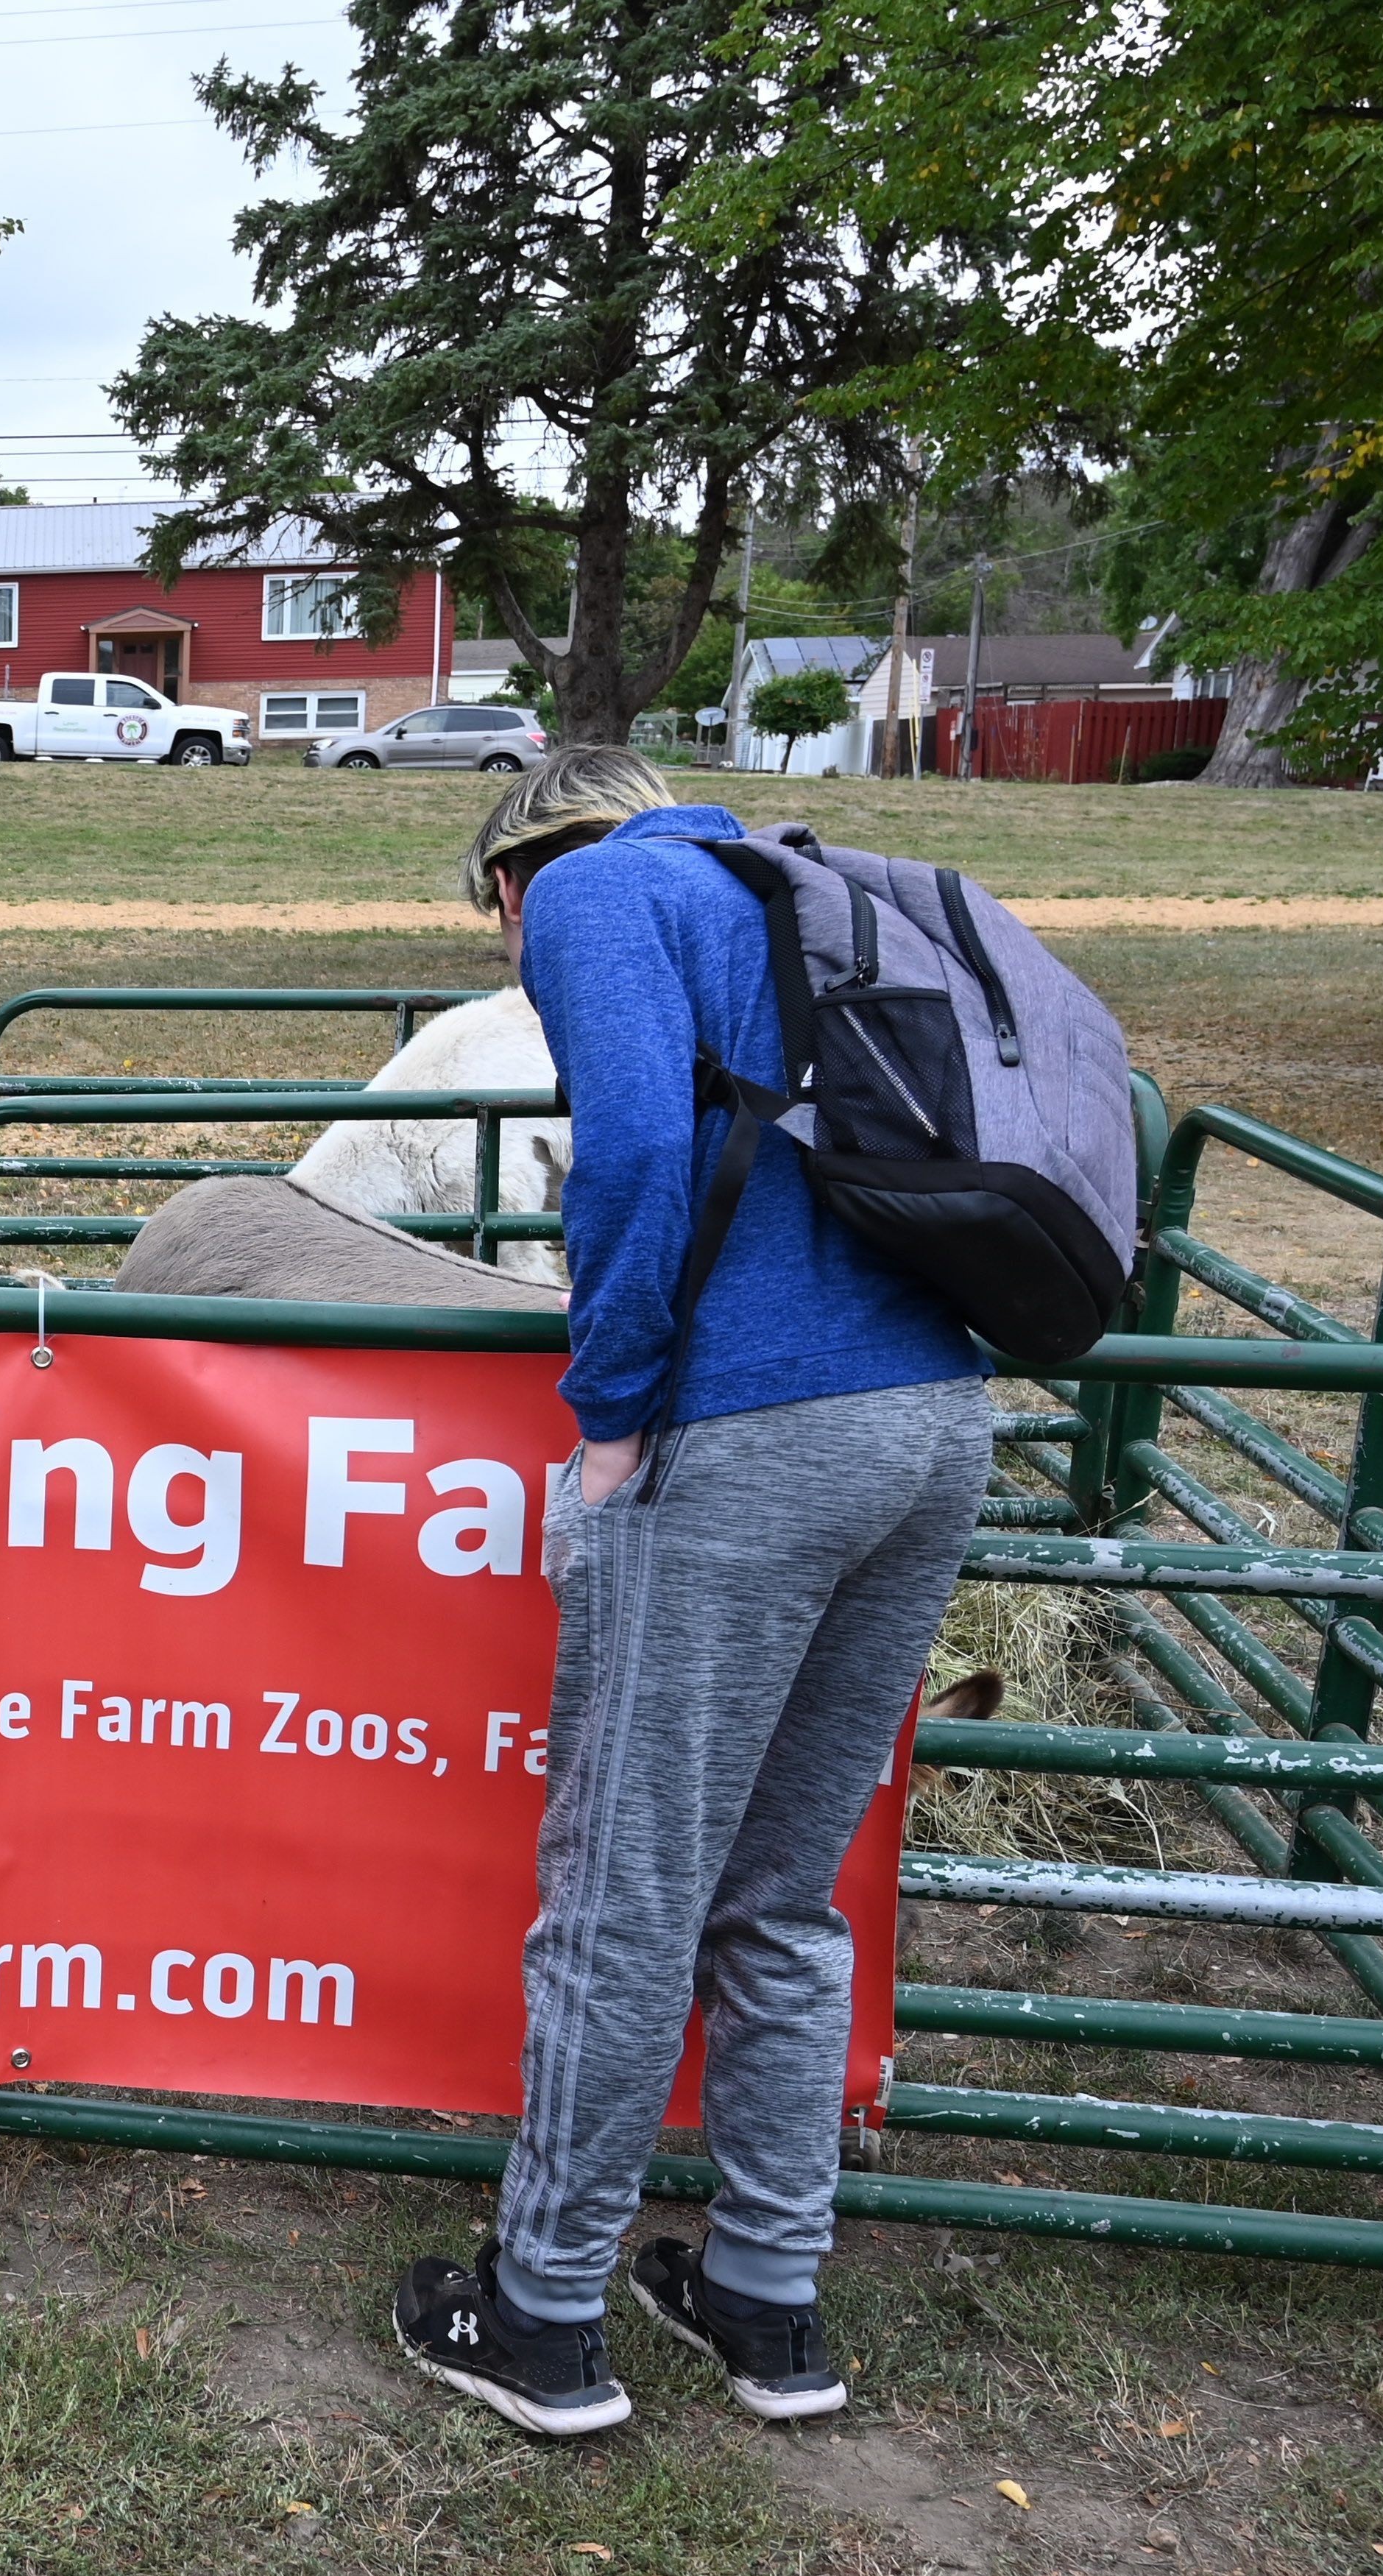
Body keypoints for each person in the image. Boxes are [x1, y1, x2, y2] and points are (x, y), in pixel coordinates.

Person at [392, 747, 991, 2438]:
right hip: (933, 1422)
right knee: (785, 1887)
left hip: (749, 1431)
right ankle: (766, 2295)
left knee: (622, 1893)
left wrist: (614, 1410)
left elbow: (641, 1145)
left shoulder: (593, 888)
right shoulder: (807, 890)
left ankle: (544, 2309)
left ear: (514, 877)